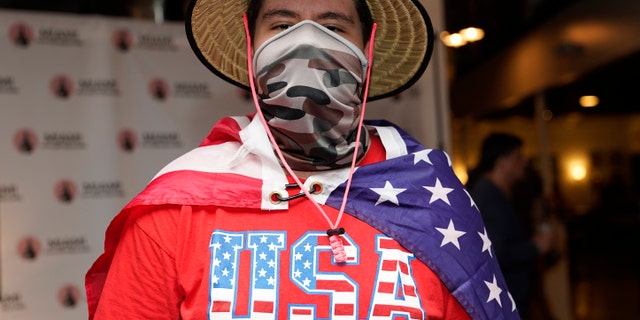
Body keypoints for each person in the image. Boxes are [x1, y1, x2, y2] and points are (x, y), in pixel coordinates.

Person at [85, 0, 519, 319]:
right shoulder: (176, 207)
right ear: (251, 46)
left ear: (366, 50)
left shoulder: (430, 198)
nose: (306, 44)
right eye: (281, 25)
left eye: (333, 26)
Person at [467, 133, 553, 319]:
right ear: (502, 161)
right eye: (518, 157)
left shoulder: (496, 192)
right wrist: (535, 247)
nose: (524, 162)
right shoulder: (489, 197)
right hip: (503, 302)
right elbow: (496, 253)